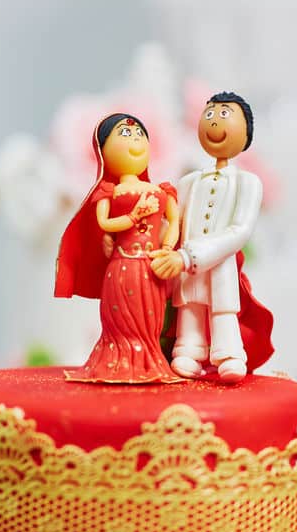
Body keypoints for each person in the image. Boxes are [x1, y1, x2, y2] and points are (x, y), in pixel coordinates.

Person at [150, 92, 274, 383]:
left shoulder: (247, 182)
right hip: (184, 270)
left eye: (224, 115)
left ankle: (229, 355)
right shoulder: (189, 182)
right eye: (209, 115)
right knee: (189, 310)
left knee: (222, 311)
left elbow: (239, 231)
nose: (214, 123)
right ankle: (188, 352)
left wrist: (188, 256)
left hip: (217, 266)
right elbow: (174, 222)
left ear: (246, 132)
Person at [54, 113, 182, 383]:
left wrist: (168, 246)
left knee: (151, 319)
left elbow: (174, 221)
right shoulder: (108, 193)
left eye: (139, 135)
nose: (135, 140)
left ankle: (149, 357)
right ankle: (121, 359)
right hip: (122, 266)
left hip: (152, 267)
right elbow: (104, 222)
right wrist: (134, 216)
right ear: (103, 151)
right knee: (122, 319)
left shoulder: (162, 190)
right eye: (125, 135)